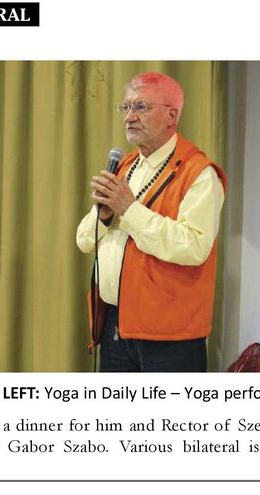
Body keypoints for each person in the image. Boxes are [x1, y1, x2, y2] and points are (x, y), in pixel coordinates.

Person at [76, 71, 227, 372]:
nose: (129, 117)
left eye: (141, 107)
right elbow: (83, 241)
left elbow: (194, 247)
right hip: (116, 325)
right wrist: (104, 216)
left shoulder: (199, 173)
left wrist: (128, 209)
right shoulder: (126, 166)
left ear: (171, 116)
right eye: (126, 107)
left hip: (170, 336)